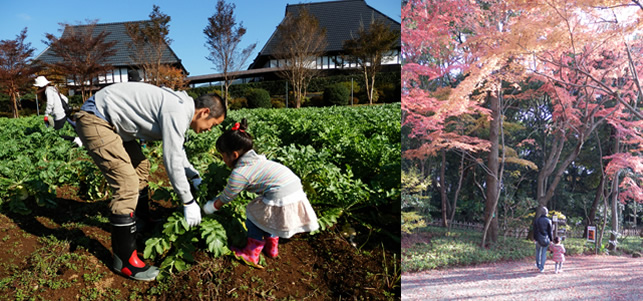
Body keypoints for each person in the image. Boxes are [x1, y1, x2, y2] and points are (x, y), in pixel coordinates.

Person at [74, 82, 226, 281]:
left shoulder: (180, 107)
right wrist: (188, 202)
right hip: (97, 120)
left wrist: (194, 176)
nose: (209, 130)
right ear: (205, 112)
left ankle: (141, 220)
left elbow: (178, 150)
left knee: (141, 166)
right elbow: (171, 160)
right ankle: (125, 261)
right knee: (126, 183)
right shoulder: (177, 110)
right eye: (212, 125)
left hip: (114, 123)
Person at [202, 119, 319, 267]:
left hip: (281, 196)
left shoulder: (240, 173)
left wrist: (210, 207)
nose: (223, 159)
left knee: (253, 218)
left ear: (235, 155)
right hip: (294, 190)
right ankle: (272, 247)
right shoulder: (258, 160)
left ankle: (251, 253)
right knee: (270, 219)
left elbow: (227, 196)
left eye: (223, 155)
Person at [34, 76, 82, 147]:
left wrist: (46, 114)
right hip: (61, 113)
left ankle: (75, 139)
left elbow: (50, 103)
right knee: (60, 131)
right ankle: (78, 138)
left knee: (56, 134)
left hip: (58, 115)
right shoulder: (53, 89)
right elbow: (65, 99)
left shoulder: (48, 90)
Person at [533, 206, 553, 273]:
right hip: (545, 238)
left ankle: (538, 264)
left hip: (538, 238)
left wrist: (535, 238)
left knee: (538, 252)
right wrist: (551, 240)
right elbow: (550, 232)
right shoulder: (549, 221)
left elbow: (534, 230)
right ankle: (542, 267)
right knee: (543, 253)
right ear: (547, 213)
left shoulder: (537, 220)